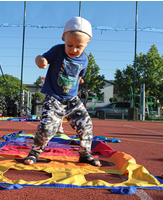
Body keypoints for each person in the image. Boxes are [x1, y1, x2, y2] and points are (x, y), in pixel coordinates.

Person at [24, 16, 101, 167]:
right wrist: (41, 60)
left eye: (79, 46)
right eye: (70, 44)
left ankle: (85, 153)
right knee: (47, 127)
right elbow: (42, 57)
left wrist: (79, 80)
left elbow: (79, 75)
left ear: (87, 43)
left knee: (86, 125)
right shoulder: (58, 50)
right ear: (63, 37)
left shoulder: (84, 59)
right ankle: (35, 152)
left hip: (72, 100)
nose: (73, 50)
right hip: (54, 99)